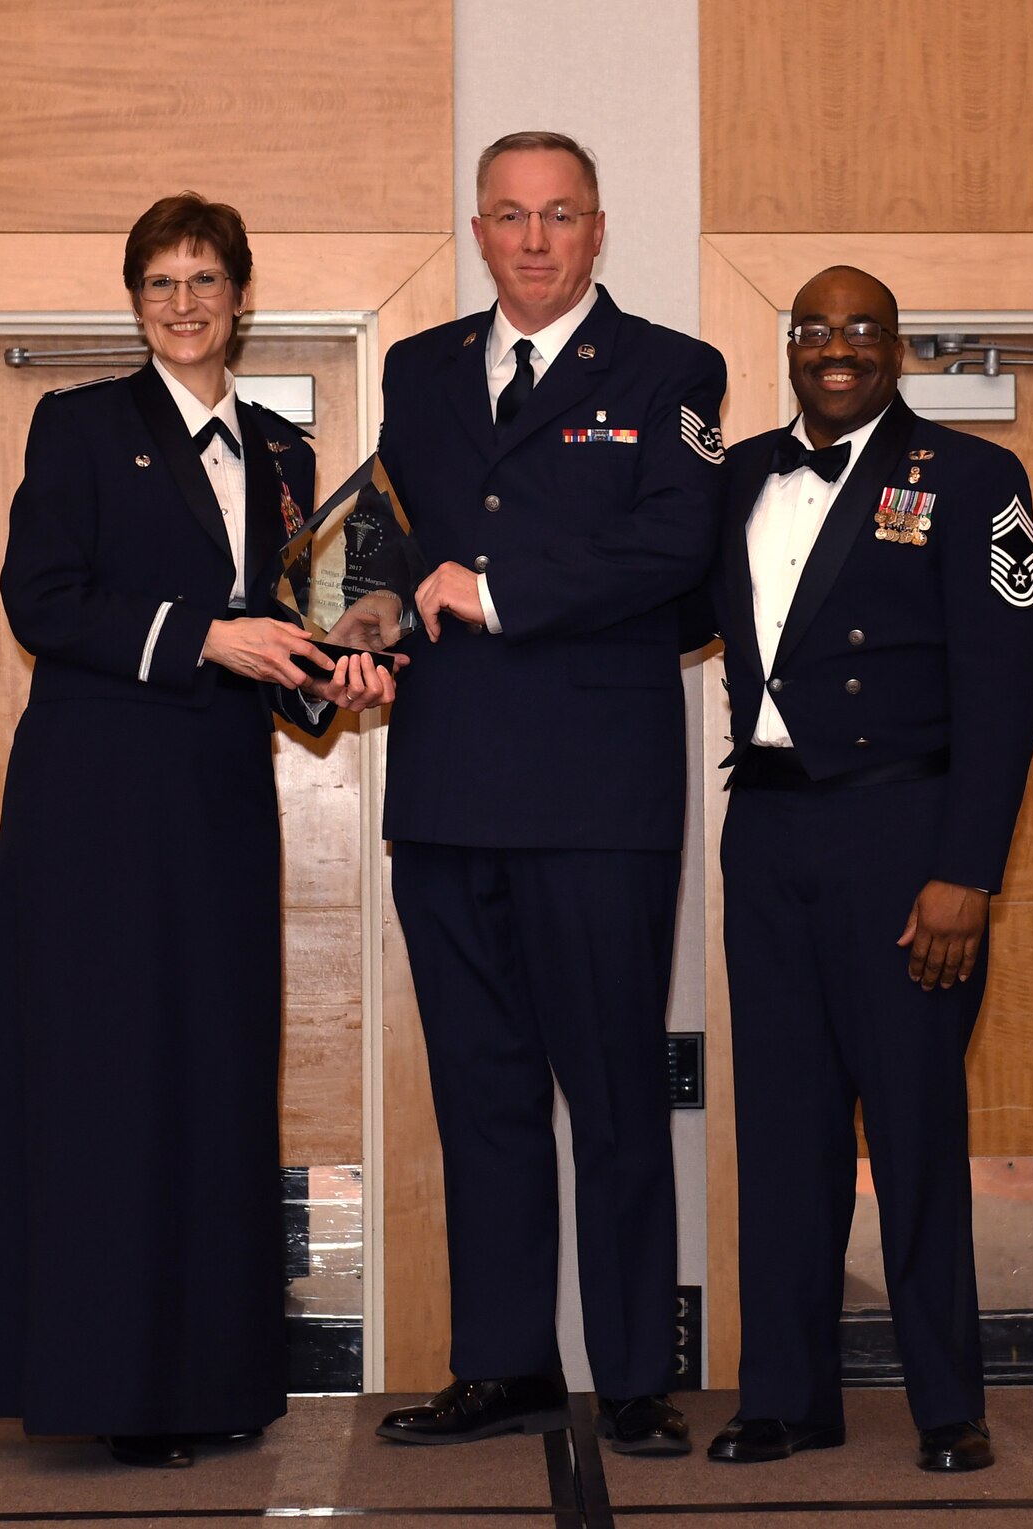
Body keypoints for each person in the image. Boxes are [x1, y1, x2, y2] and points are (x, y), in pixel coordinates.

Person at [0, 193, 396, 1470]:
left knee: (214, 1079)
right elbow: (41, 600)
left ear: (242, 297)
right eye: (159, 285)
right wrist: (203, 634)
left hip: (218, 803)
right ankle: (113, 1385)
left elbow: (290, 638)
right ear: (134, 303)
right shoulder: (78, 425)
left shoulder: (290, 451)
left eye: (205, 281)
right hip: (94, 806)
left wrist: (338, 674)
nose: (184, 304)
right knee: (108, 1084)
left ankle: (214, 1375)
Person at [371, 131, 728, 1456]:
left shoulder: (671, 372)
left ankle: (635, 1374)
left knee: (618, 1093)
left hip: (595, 803)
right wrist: (362, 636)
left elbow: (674, 544)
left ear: (596, 230)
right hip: (447, 795)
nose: (533, 239)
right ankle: (503, 1361)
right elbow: (395, 550)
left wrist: (499, 592)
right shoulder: (418, 371)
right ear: (478, 231)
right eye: (510, 217)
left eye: (559, 215)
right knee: (483, 1092)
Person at [693, 265, 1033, 1473]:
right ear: (787, 344)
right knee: (783, 1129)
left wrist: (968, 869)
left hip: (907, 839)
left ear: (894, 347)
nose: (835, 348)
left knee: (910, 1125)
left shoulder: (971, 477)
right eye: (814, 329)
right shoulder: (735, 472)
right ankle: (786, 1397)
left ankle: (948, 1403)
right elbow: (649, 607)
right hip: (773, 831)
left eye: (859, 330)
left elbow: (1007, 684)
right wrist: (482, 597)